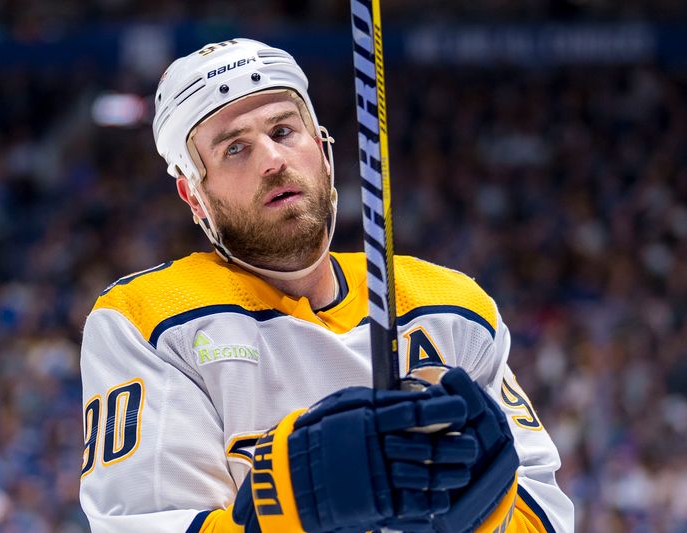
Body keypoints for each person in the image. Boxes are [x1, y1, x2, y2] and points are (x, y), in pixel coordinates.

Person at [79, 38, 574, 532]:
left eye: (283, 130)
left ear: (321, 144)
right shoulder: (146, 318)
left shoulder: (452, 307)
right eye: (235, 148)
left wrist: (486, 516)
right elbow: (144, 523)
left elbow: (547, 515)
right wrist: (290, 510)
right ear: (194, 194)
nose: (272, 160)